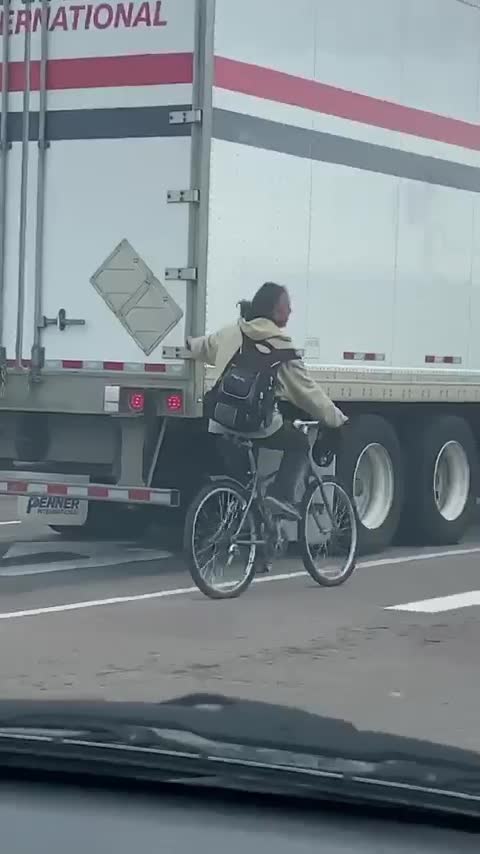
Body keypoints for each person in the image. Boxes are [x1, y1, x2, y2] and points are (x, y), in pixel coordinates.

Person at [186, 282, 348, 519]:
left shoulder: (232, 332)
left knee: (243, 485)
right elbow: (309, 393)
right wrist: (337, 420)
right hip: (256, 426)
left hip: (221, 422)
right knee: (299, 442)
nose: (290, 311)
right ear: (274, 310)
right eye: (286, 306)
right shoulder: (281, 347)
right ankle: (281, 496)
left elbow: (202, 347)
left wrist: (187, 343)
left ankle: (244, 521)